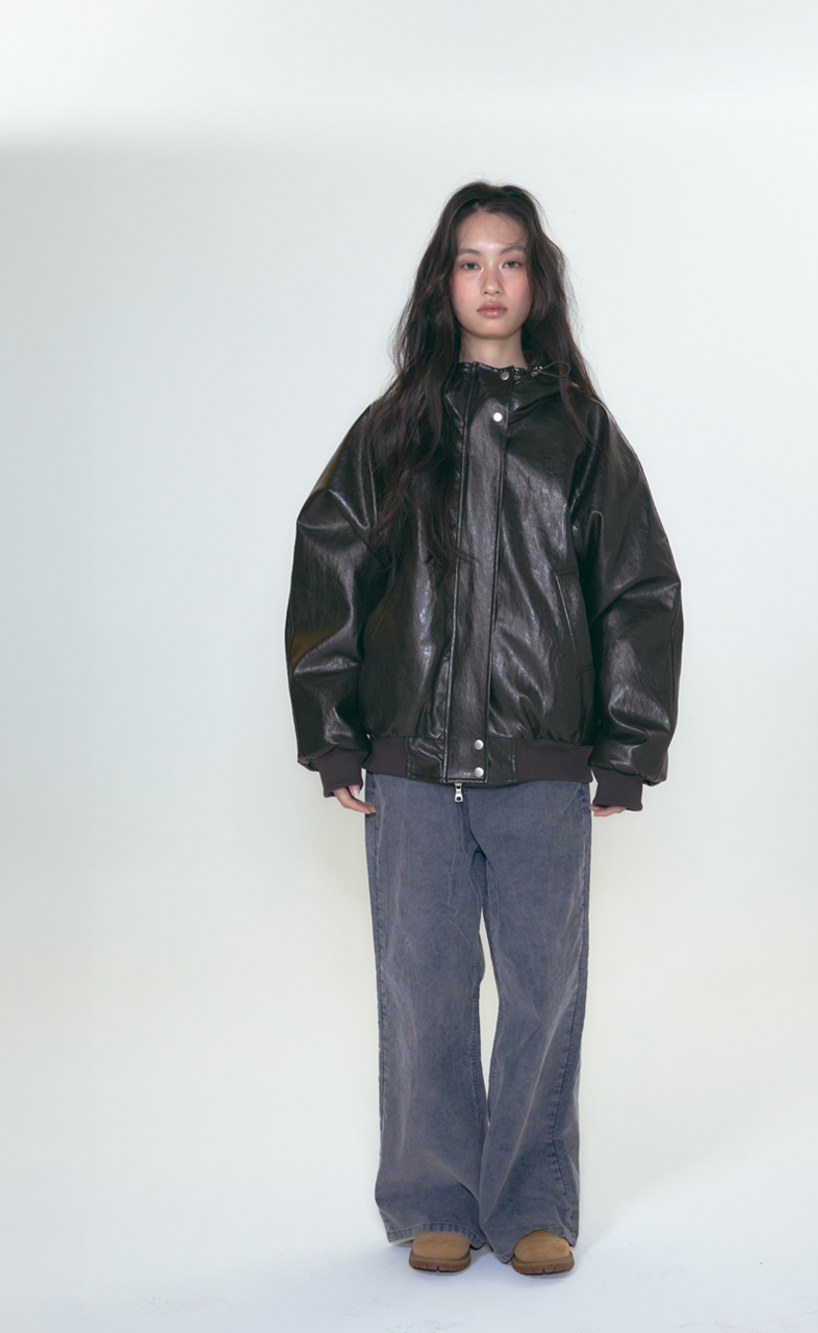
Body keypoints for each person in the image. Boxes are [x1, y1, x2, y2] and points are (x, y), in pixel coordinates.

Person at [285, 182, 682, 1276]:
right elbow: (329, 565)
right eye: (470, 261)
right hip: (410, 763)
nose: (491, 280)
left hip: (541, 765)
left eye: (510, 260)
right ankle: (435, 1198)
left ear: (537, 281)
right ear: (443, 282)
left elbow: (637, 587)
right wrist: (335, 733)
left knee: (544, 992)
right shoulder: (393, 429)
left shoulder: (581, 432)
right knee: (423, 988)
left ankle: (531, 1200)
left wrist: (626, 748)